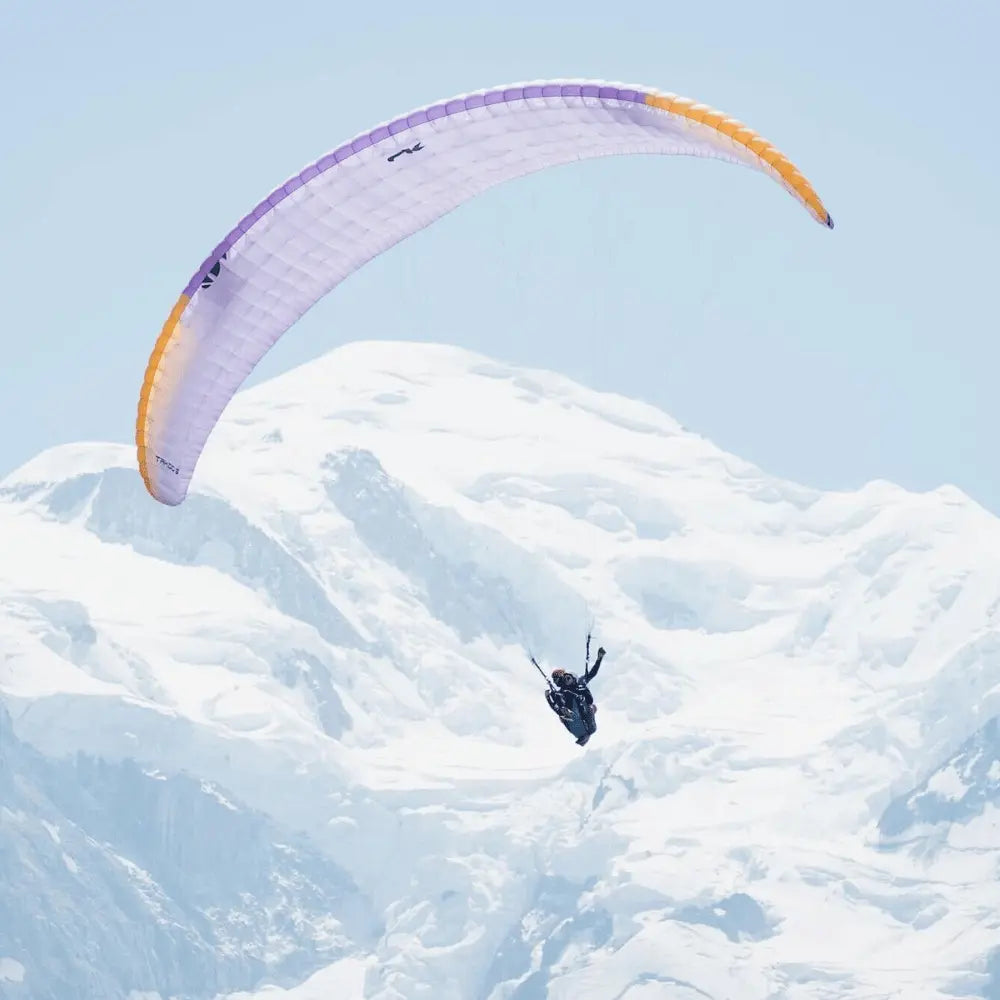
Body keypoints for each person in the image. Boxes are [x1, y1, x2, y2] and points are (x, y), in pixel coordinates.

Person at [543, 644, 606, 746]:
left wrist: (599, 659)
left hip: (583, 712)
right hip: (574, 716)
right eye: (554, 680)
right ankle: (573, 721)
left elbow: (592, 673)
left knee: (591, 706)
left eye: (557, 679)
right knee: (563, 713)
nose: (556, 682)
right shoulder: (561, 692)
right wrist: (549, 698)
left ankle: (578, 721)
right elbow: (558, 708)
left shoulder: (579, 683)